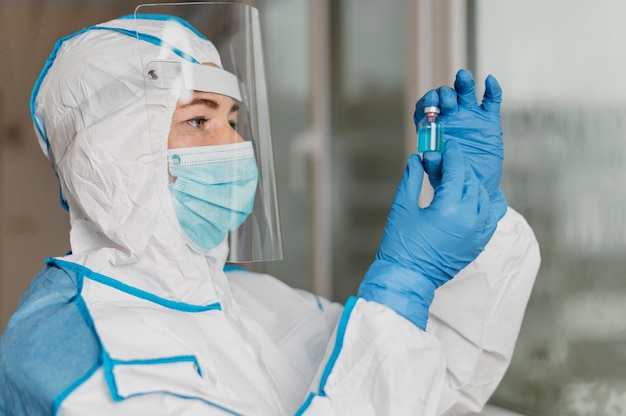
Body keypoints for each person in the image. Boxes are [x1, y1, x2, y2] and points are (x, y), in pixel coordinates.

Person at [0, 4, 540, 416]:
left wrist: (478, 220)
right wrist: (402, 282)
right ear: (111, 150)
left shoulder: (248, 300)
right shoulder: (71, 356)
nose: (233, 144)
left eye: (232, 119)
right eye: (197, 120)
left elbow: (433, 387)